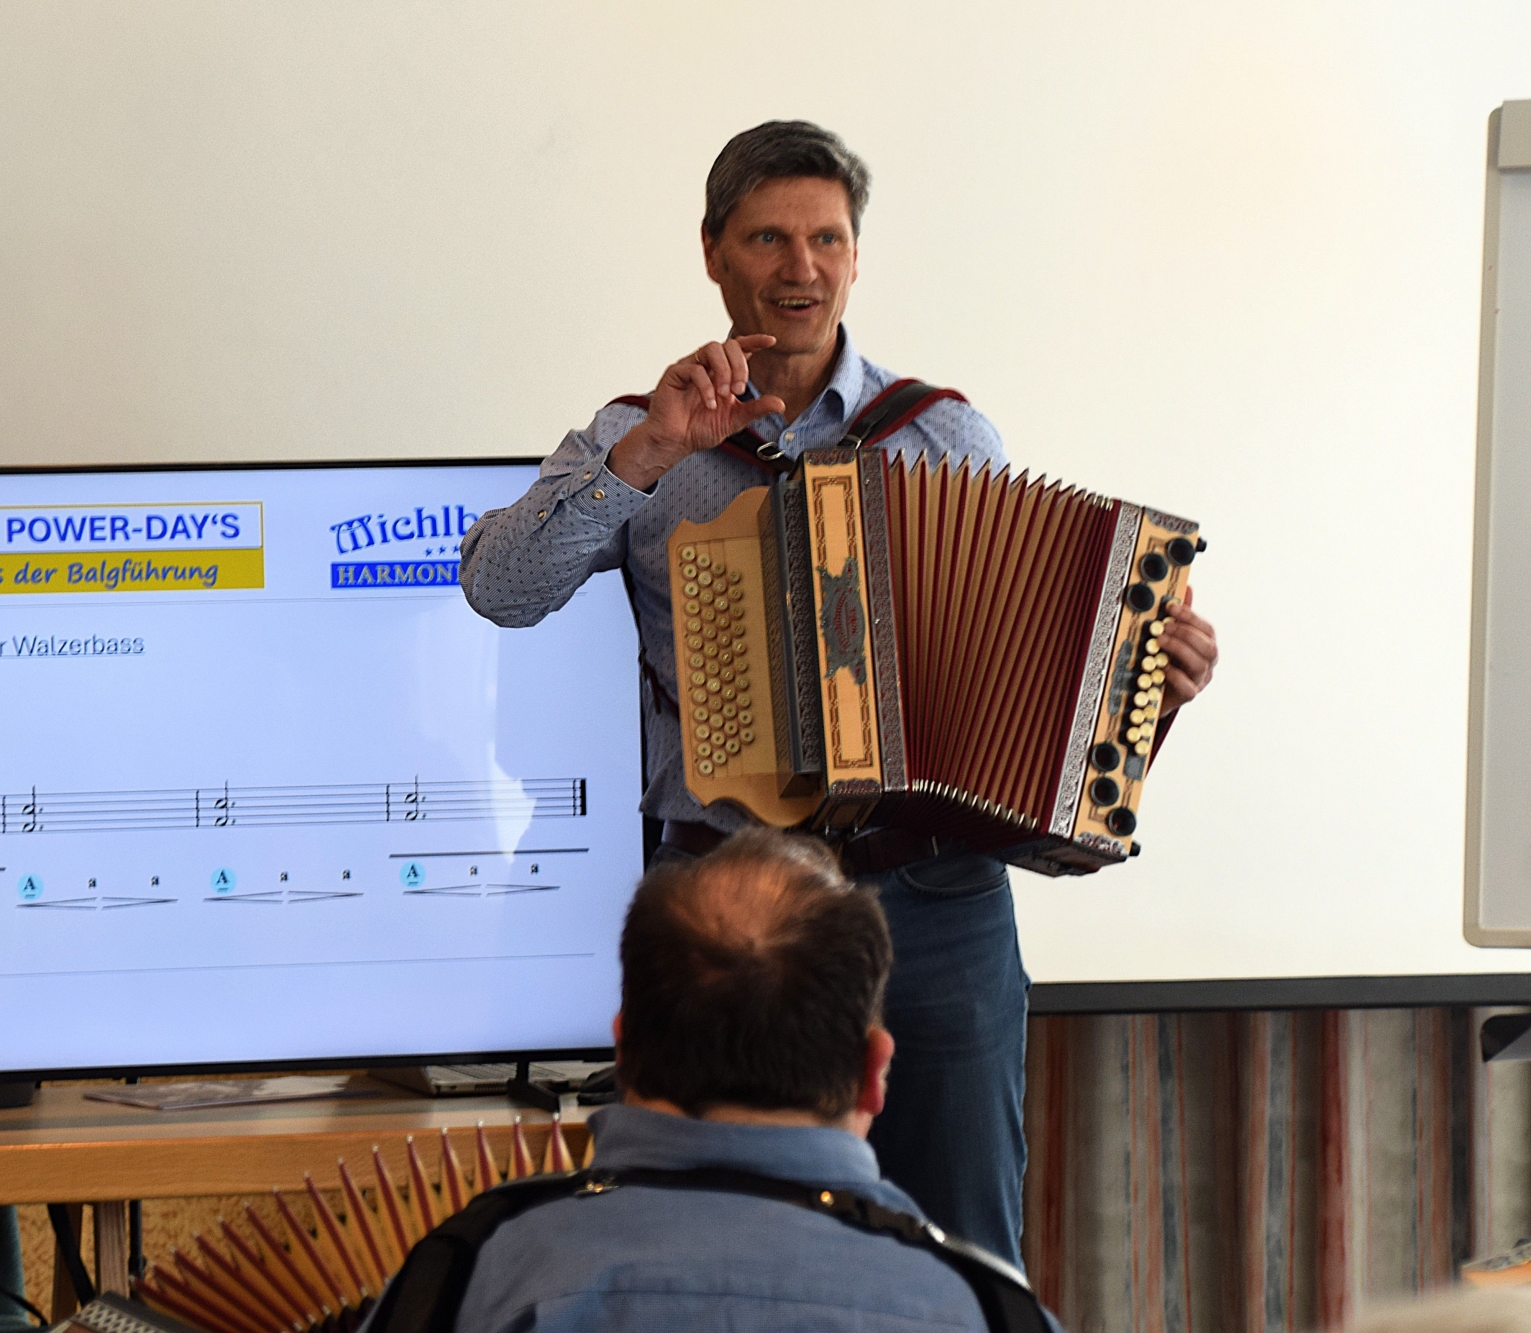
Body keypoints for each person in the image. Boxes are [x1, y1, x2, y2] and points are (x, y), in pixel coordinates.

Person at [459, 119, 1220, 1265]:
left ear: (855, 258)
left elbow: (1019, 665)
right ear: (713, 252)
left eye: (825, 238)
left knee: (962, 1236)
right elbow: (498, 589)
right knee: (700, 1238)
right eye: (767, 236)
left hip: (933, 900)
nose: (798, 266)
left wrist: (1146, 688)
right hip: (725, 904)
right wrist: (646, 459)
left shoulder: (943, 435)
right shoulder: (638, 433)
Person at [445, 828, 1055, 1332]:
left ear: (623, 1047)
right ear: (874, 1072)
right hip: (712, 821)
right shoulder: (992, 1313)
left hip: (942, 861)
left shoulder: (473, 1278)